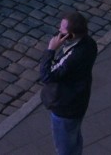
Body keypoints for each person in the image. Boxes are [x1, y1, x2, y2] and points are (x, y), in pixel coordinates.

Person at [39, 12, 98, 155]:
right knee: (74, 139)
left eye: (62, 32)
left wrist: (51, 50)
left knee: (65, 146)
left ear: (71, 35)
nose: (58, 34)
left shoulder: (75, 56)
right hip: (78, 101)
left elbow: (47, 75)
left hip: (65, 107)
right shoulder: (89, 43)